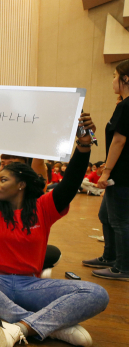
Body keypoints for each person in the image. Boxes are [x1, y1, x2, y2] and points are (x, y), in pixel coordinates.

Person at [0, 115, 109, 347]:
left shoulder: (44, 208)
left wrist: (84, 145)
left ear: (21, 185)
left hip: (31, 285)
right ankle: (52, 326)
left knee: (97, 293)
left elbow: (70, 183)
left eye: (3, 180)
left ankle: (22, 327)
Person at [84, 61, 129, 281]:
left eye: (114, 75)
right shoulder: (122, 105)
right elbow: (107, 142)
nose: (112, 80)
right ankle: (110, 256)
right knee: (106, 215)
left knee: (120, 220)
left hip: (122, 175)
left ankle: (123, 267)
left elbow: (119, 141)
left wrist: (106, 171)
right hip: (118, 171)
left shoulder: (126, 106)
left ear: (125, 79)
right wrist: (91, 133)